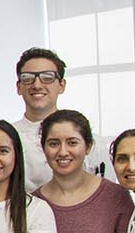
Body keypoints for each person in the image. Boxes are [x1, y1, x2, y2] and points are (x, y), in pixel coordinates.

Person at [10, 48, 106, 188]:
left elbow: (105, 190)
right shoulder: (7, 137)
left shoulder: (90, 140)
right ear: (18, 87)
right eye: (28, 78)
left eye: (47, 78)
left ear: (62, 85)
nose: (37, 85)